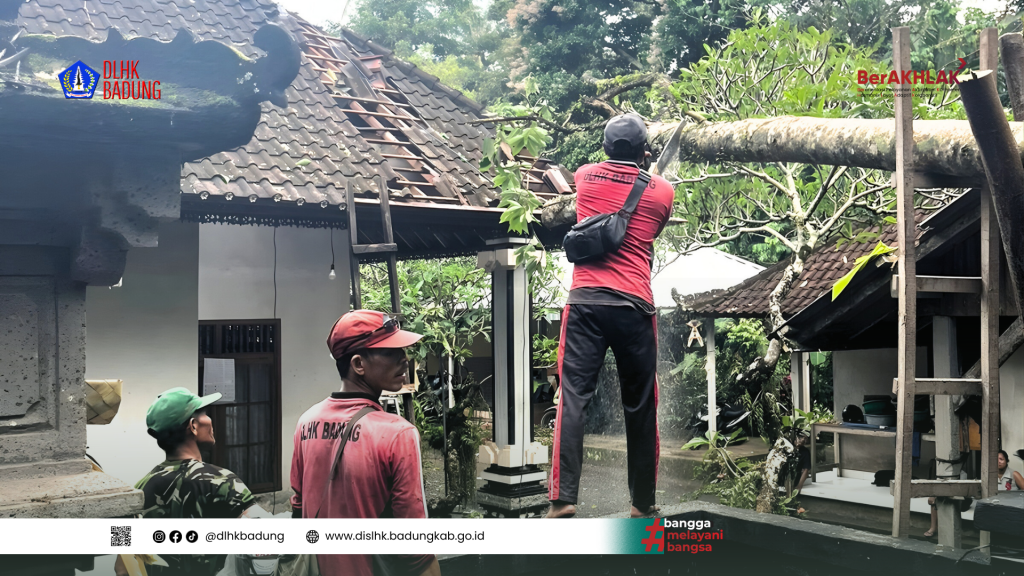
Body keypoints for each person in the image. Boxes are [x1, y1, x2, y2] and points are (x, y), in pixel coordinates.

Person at [548, 113, 675, 519]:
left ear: (605, 148)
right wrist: (646, 170)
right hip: (634, 305)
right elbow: (650, 232)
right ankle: (642, 503)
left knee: (572, 398)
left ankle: (563, 499)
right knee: (641, 405)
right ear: (645, 152)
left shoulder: (585, 176)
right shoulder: (662, 191)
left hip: (585, 302)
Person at [290, 310, 441, 576]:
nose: (404, 360)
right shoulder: (398, 434)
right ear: (358, 364)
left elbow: (299, 509)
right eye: (391, 352)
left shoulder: (306, 422)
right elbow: (413, 545)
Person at [120, 387, 268, 576]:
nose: (210, 420)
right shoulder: (222, 481)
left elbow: (122, 569)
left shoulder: (139, 488)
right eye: (204, 414)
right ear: (193, 426)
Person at [924, 449, 1022, 537]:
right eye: (996, 459)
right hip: (992, 505)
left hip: (1009, 507)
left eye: (1001, 459)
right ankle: (934, 528)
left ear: (1006, 461)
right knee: (936, 499)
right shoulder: (989, 474)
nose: (998, 461)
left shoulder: (1014, 474)